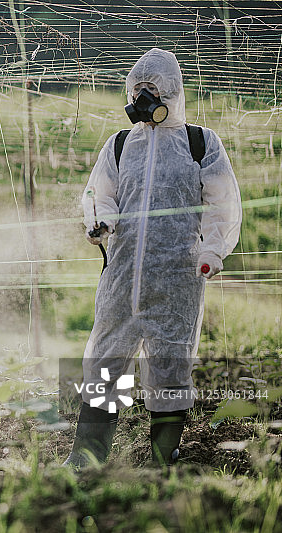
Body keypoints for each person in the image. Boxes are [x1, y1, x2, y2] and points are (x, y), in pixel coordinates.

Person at [64, 48, 242, 467]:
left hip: (177, 277)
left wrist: (213, 249)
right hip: (123, 276)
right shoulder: (122, 144)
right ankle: (87, 456)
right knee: (106, 360)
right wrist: (100, 222)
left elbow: (223, 203)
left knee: (170, 365)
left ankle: (163, 459)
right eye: (137, 89)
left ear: (173, 94)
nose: (143, 98)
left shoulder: (201, 143)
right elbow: (99, 192)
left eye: (152, 90)